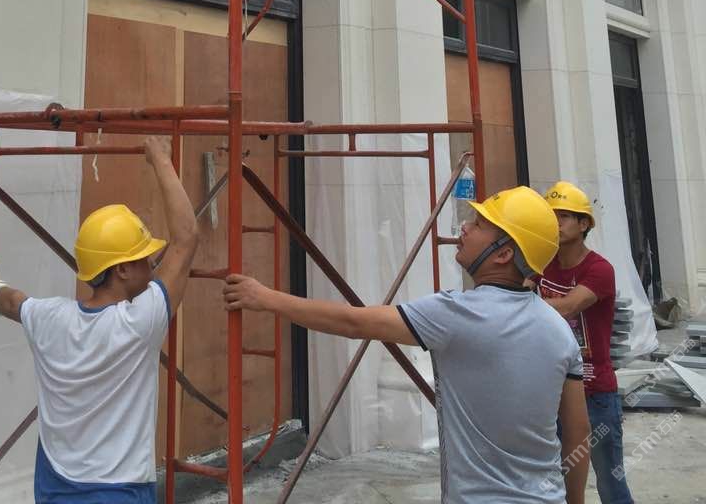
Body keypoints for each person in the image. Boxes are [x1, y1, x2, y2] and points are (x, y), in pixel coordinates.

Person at [225, 186, 592, 504]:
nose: (465, 228)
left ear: (503, 254)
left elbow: (354, 323)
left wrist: (265, 298)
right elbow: (578, 431)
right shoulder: (557, 329)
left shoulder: (458, 314)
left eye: (480, 225)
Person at [0, 135, 198, 504]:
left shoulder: (50, 318)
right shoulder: (138, 323)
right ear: (122, 270)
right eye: (144, 259)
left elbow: (11, 302)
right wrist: (161, 160)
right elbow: (186, 239)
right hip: (119, 491)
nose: (152, 266)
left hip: (55, 488)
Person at [540, 181, 634, 504]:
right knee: (561, 482)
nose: (555, 222)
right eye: (551, 215)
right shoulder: (542, 263)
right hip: (554, 391)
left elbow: (568, 306)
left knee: (610, 483)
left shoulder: (599, 269)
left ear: (583, 224)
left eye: (564, 216)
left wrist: (524, 303)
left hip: (595, 394)